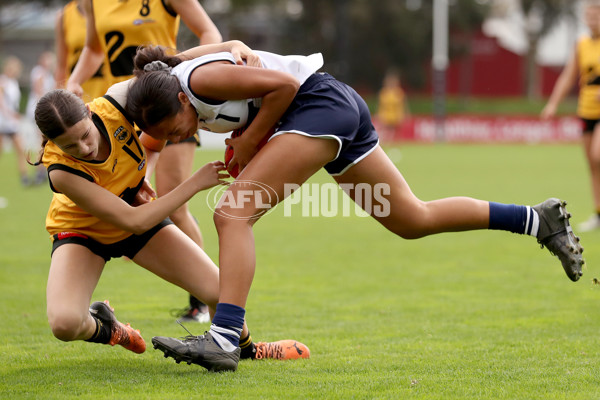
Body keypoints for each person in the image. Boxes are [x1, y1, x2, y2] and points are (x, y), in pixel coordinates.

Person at [125, 44, 585, 373]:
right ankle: (535, 219)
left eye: (176, 127)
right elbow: (223, 48)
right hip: (332, 109)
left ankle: (224, 337)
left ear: (184, 99)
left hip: (316, 105)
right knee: (411, 219)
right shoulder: (165, 83)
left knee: (232, 212)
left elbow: (284, 85)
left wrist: (249, 140)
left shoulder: (200, 81)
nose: (175, 136)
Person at [33, 69, 310, 370]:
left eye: (85, 136)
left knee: (221, 291)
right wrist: (194, 182)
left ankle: (248, 349)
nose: (85, 149)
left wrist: (230, 45)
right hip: (83, 232)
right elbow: (133, 221)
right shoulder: (60, 172)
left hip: (136, 217)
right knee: (65, 323)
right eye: (70, 146)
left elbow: (171, 70)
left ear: (88, 111)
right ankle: (110, 329)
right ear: (52, 143)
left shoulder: (118, 101)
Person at [66, 0, 224, 323]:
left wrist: (190, 77)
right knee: (130, 203)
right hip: (119, 115)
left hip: (168, 108)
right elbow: (95, 50)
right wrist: (72, 82)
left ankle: (202, 303)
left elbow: (209, 31)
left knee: (174, 205)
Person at [541, 0, 600, 232]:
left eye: (596, 15)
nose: (592, 19)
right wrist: (553, 104)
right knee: (592, 165)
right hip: (586, 111)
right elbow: (568, 76)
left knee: (598, 155)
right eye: (589, 15)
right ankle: (598, 213)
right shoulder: (581, 44)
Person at [54, 0, 110, 101]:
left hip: (108, 95)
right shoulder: (64, 16)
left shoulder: (108, 7)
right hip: (78, 96)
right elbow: (62, 65)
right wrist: (58, 99)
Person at [27, 51, 55, 185]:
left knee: (45, 140)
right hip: (39, 110)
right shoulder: (39, 72)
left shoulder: (47, 74)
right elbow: (38, 91)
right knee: (42, 140)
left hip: (43, 108)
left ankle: (42, 170)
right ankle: (39, 171)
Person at [0, 56, 29, 186]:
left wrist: (15, 114)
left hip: (12, 122)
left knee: (20, 149)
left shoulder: (14, 83)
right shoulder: (3, 81)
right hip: (2, 121)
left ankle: (24, 177)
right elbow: (1, 101)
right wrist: (9, 114)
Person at [376, 68, 409, 142]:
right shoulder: (383, 92)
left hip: (396, 115)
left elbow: (403, 104)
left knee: (397, 134)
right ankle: (385, 144)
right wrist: (379, 115)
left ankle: (397, 145)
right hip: (386, 116)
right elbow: (380, 105)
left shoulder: (399, 92)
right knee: (385, 133)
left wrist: (405, 114)